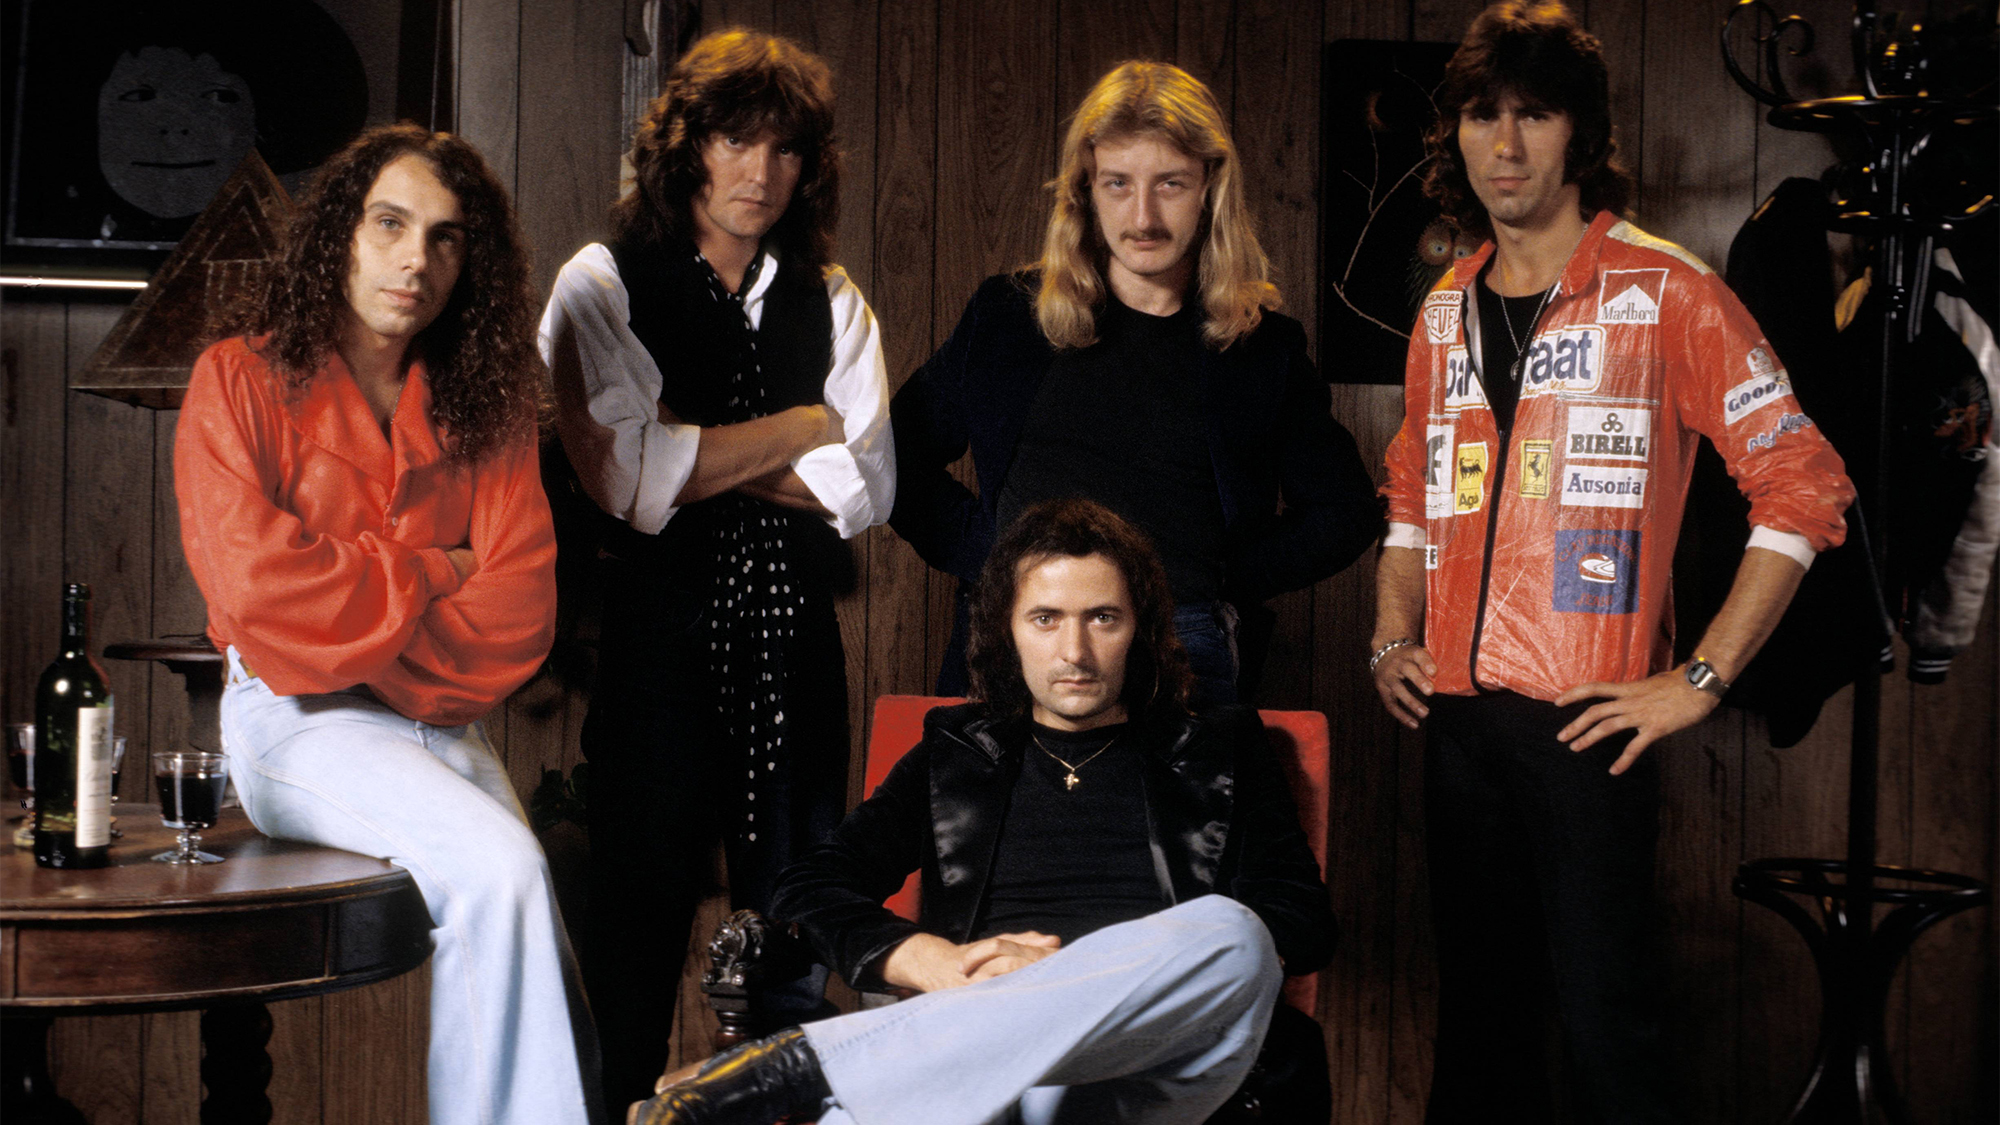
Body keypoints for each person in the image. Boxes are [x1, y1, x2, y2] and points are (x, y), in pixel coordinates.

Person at [1369, 4, 1856, 1121]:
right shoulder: (1441, 310)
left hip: (1589, 721)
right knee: (1478, 1032)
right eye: (1480, 115)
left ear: (1578, 133)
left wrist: (1699, 681)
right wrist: (1392, 633)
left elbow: (1804, 482)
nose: (1503, 145)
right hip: (1455, 724)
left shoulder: (1666, 291)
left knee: (1605, 1031)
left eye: (1532, 115)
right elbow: (1411, 490)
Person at [629, 498, 1336, 1125]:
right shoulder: (956, 752)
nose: (1075, 651)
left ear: (1141, 629)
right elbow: (811, 885)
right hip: (982, 1058)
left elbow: (1302, 921)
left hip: (1152, 1062)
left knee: (1235, 934)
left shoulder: (1220, 745)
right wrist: (932, 959)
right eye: (1046, 618)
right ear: (1008, 628)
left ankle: (798, 1065)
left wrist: (1081, 976)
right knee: (929, 1094)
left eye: (1104, 618)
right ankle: (825, 1077)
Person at [174, 125, 593, 1125]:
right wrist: (427, 573)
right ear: (338, 235)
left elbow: (517, 614)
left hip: (436, 721)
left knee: (544, 948)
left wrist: (358, 615)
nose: (417, 260)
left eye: (446, 238)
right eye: (391, 224)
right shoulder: (235, 380)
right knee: (502, 874)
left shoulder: (481, 411)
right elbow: (258, 597)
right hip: (293, 720)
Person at [537, 29, 894, 1110]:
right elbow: (627, 480)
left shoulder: (829, 293)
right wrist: (795, 424)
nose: (759, 173)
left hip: (795, 654)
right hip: (657, 652)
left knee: (789, 928)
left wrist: (694, 450)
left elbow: (865, 489)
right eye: (736, 141)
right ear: (683, 148)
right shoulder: (601, 281)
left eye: (785, 151)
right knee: (634, 937)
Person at [890, 61, 1380, 706]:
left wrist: (1221, 576)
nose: (1143, 216)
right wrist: (989, 554)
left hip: (1184, 641)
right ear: (1084, 191)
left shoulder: (1260, 346)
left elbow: (1345, 512)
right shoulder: (1009, 316)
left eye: (1170, 184)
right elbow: (895, 452)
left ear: (1210, 187)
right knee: (995, 811)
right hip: (1023, 637)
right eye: (1118, 184)